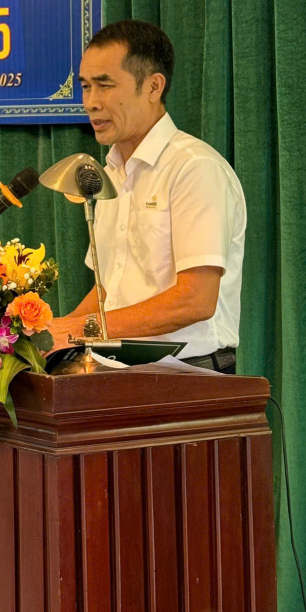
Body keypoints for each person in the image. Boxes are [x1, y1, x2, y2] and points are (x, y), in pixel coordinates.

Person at [50, 20, 246, 372]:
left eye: (105, 85)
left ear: (154, 86)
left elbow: (195, 300)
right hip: (116, 373)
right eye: (86, 87)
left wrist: (77, 330)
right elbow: (108, 290)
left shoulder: (194, 167)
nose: (91, 103)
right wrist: (48, 337)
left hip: (190, 375)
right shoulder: (109, 173)